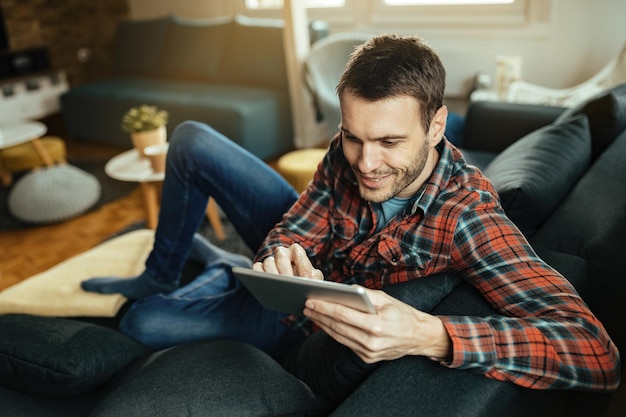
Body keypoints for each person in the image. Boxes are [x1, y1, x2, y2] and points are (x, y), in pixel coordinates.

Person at [82, 34, 620, 407]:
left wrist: (431, 334)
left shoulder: (468, 217)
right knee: (192, 139)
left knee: (139, 322)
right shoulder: (348, 152)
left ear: (436, 127)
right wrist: (280, 255)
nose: (365, 162)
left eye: (389, 142)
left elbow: (597, 353)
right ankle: (189, 268)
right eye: (354, 136)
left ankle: (218, 270)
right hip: (296, 284)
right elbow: (299, 222)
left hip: (298, 322)